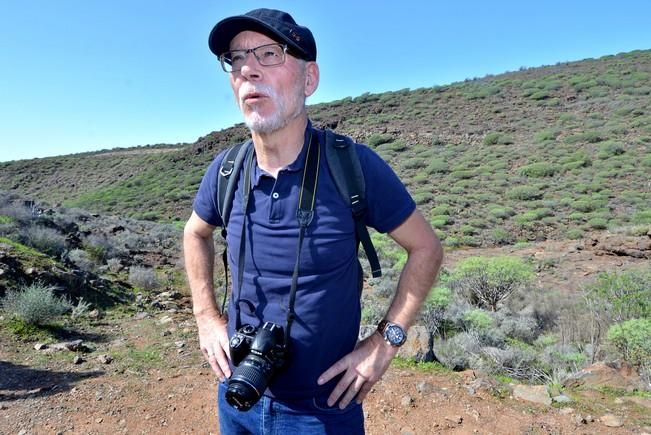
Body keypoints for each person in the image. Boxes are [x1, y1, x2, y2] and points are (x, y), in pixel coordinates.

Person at [183, 8, 443, 434]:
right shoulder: (226, 169)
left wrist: (385, 342)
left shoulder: (353, 166)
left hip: (322, 411)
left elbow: (427, 248)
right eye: (236, 58)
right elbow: (196, 233)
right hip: (238, 394)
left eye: (268, 54)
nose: (248, 68)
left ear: (309, 79)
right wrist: (206, 316)